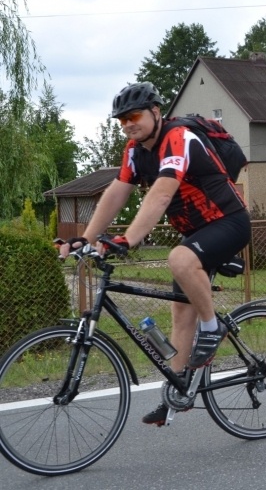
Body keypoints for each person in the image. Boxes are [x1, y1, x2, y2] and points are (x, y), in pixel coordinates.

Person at [59, 82, 251, 425]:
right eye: (122, 121)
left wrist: (129, 238)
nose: (128, 124)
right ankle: (176, 393)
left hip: (229, 221)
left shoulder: (178, 137)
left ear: (156, 112)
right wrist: (84, 239)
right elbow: (117, 192)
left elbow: (162, 194)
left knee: (178, 258)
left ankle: (212, 328)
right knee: (180, 314)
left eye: (134, 116)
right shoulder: (134, 151)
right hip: (196, 231)